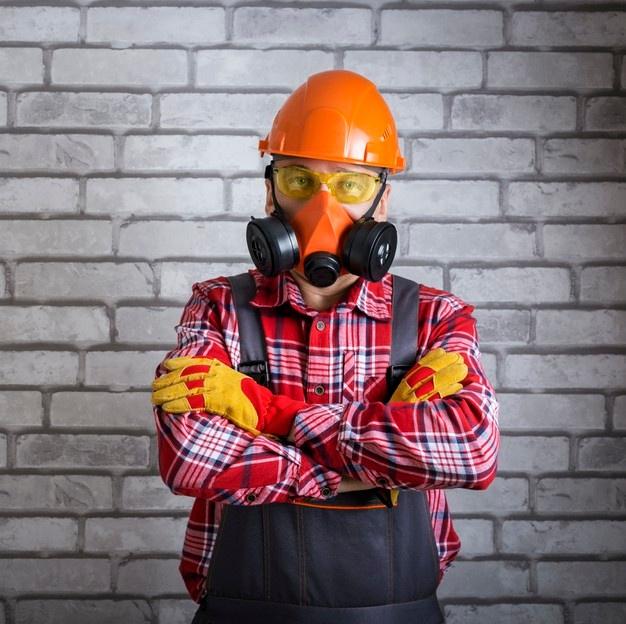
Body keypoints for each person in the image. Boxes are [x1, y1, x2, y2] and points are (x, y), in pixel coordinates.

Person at [151, 69, 500, 624]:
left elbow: (472, 451)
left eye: (350, 185)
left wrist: (272, 414)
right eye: (299, 181)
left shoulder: (436, 318)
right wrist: (377, 461)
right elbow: (191, 458)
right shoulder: (217, 307)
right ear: (270, 190)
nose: (323, 207)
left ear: (381, 201)